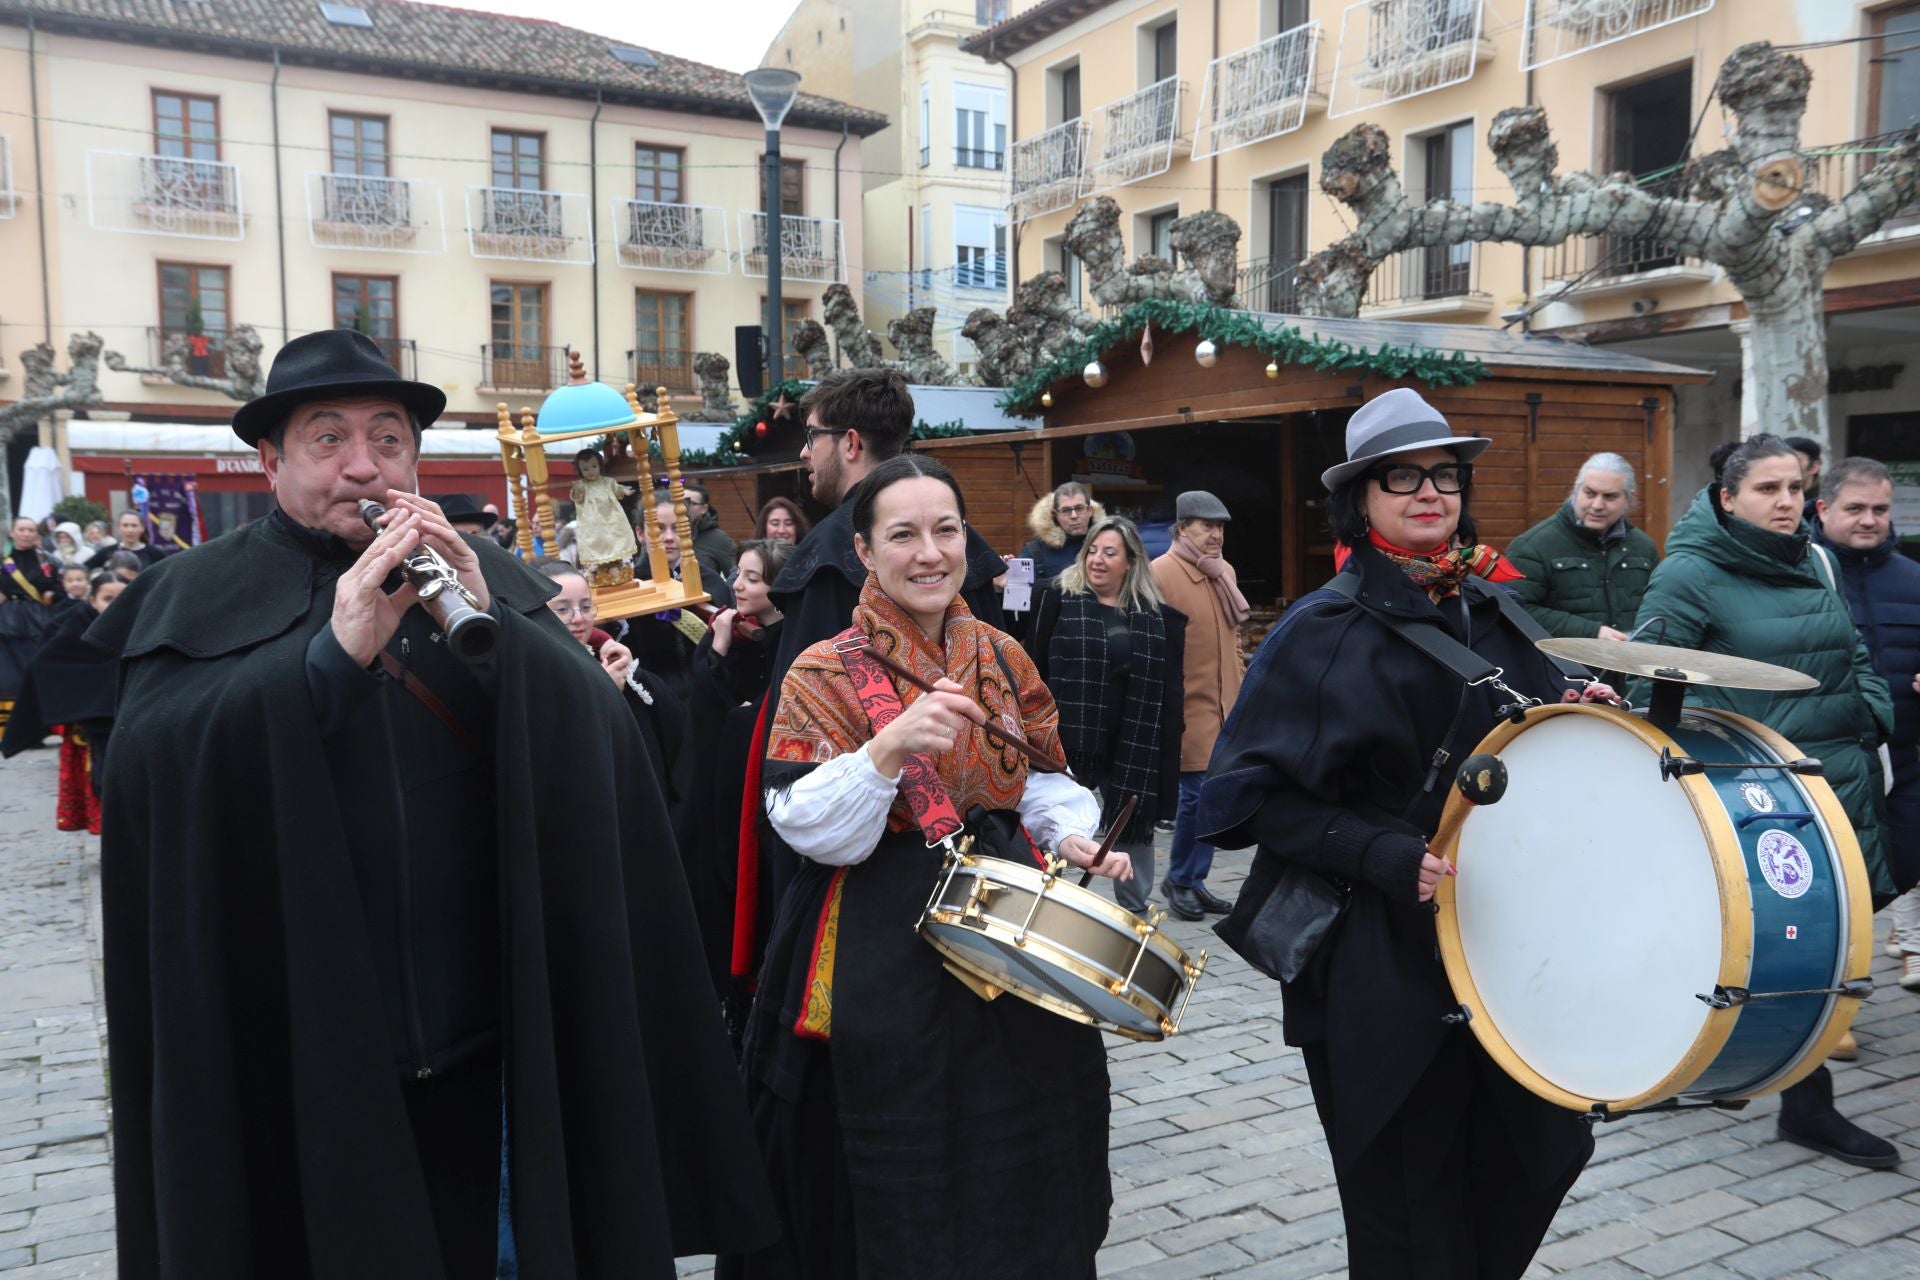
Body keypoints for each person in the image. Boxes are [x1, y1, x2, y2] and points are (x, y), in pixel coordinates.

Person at [88, 328, 775, 1277]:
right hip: (296, 1046)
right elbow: (153, 777)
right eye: (328, 439)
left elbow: (603, 750)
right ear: (272, 461)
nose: (363, 466)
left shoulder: (483, 574)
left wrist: (501, 627)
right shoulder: (192, 594)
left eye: (389, 439)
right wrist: (324, 665)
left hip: (489, 1047)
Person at [1199, 387, 1605, 1279]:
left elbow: (1533, 745)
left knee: (1538, 1154)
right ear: (1362, 498)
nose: (1430, 492)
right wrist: (1375, 851)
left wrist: (1581, 714)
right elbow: (1231, 804)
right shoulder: (1322, 630)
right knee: (1407, 1208)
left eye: (1445, 475)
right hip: (1376, 959)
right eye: (1403, 477)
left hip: (1502, 949)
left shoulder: (1498, 609)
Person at [728, 453, 1125, 1279]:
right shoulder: (823, 668)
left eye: (945, 530)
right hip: (876, 938)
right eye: (902, 534)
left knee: (1028, 1121)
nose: (930, 553)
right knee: (893, 1139)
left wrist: (1066, 835)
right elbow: (800, 821)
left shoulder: (1002, 653)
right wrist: (887, 750)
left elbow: (1043, 775)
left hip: (1006, 918)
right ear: (865, 551)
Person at [1631, 433, 1897, 1170]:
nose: (1786, 503)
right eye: (1767, 490)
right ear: (1728, 498)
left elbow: (1854, 652)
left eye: (1794, 489)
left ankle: (1795, 1102)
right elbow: (1648, 684)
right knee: (1779, 944)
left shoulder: (1815, 559)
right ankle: (1776, 1092)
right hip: (1756, 794)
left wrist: (1871, 713)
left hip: (1838, 778)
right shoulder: (1688, 572)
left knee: (1829, 941)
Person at [737, 369, 1006, 983]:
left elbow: (1000, 710)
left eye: (812, 437)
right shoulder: (837, 586)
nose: (805, 454)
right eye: (902, 536)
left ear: (850, 442)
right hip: (879, 845)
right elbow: (806, 760)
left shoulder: (832, 560)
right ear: (867, 551)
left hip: (905, 880)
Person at [1029, 514, 1184, 914]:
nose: (1097, 559)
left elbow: (1169, 689)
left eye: (1109, 553)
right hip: (1069, 736)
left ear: (1130, 562)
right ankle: (1046, 901)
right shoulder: (1058, 598)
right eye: (1092, 550)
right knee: (1057, 815)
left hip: (1131, 740)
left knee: (1132, 817)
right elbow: (1031, 666)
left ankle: (1134, 911)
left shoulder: (1153, 616)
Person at [1816, 457, 1920, 992]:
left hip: (1904, 757)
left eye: (1879, 509)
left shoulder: (1913, 578)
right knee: (1831, 882)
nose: (1869, 520)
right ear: (1823, 509)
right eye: (1855, 508)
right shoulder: (1803, 576)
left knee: (1904, 862)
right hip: (1829, 759)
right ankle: (1835, 989)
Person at [684, 537, 791, 1011]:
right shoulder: (740, 633)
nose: (738, 586)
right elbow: (707, 709)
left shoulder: (791, 638)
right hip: (724, 787)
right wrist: (720, 647)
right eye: (737, 575)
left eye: (753, 578)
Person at [1151, 490, 1248, 921]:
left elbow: (1233, 638)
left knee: (1215, 795)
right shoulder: (1159, 573)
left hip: (1227, 704)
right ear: (1182, 528)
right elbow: (1151, 647)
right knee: (1197, 796)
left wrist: (1242, 686)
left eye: (1220, 526)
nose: (1216, 534)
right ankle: (1180, 879)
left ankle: (1193, 879)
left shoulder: (1224, 570)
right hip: (1188, 707)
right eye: (1206, 525)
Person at [534, 558, 684, 813]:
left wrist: (631, 673)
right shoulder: (534, 671)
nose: (578, 618)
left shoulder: (606, 657)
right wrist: (603, 691)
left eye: (585, 606)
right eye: (562, 609)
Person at [1, 570, 124, 834]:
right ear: (92, 600)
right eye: (108, 599)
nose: (116, 606)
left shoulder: (143, 625)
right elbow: (47, 664)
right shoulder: (76, 626)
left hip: (130, 726)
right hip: (88, 730)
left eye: (122, 598)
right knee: (98, 784)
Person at [1506, 452, 1659, 640]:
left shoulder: (1643, 547)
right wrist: (1592, 632)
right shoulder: (1532, 546)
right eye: (1590, 493)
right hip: (1562, 659)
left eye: (1610, 497)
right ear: (1575, 490)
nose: (1597, 505)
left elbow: (1660, 608)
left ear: (1629, 498)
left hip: (1631, 657)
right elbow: (1514, 609)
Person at [0, 515, 62, 732]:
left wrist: (52, 594)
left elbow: (60, 586)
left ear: (36, 534)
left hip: (39, 619)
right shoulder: (3, 561)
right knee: (10, 676)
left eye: (30, 530)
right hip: (8, 621)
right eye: (22, 529)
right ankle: (13, 729)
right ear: (12, 533)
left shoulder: (48, 561)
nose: (26, 534)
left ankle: (42, 727)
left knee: (36, 672)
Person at [1013, 480, 1102, 605]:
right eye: (1066, 510)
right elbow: (1017, 604)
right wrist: (1005, 587)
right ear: (1055, 515)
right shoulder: (1034, 552)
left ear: (1090, 510)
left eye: (1079, 508)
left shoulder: (1108, 545)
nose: (1074, 515)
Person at [568, 447, 637, 576]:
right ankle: (600, 568)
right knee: (597, 545)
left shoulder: (608, 482)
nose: (591, 472)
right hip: (593, 524)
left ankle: (616, 564)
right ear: (580, 471)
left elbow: (617, 489)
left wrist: (624, 490)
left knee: (615, 541)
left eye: (594, 466)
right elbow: (577, 497)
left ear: (600, 465)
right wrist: (577, 489)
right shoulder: (582, 486)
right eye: (585, 469)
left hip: (612, 519)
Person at [683, 481, 737, 581]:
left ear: (704, 508)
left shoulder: (718, 539)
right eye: (682, 503)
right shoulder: (668, 535)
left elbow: (735, 574)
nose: (684, 508)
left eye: (690, 503)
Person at [87, 510, 164, 570]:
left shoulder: (155, 554)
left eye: (134, 525)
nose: (130, 530)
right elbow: (85, 569)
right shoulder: (106, 552)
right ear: (118, 528)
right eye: (125, 525)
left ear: (142, 528)